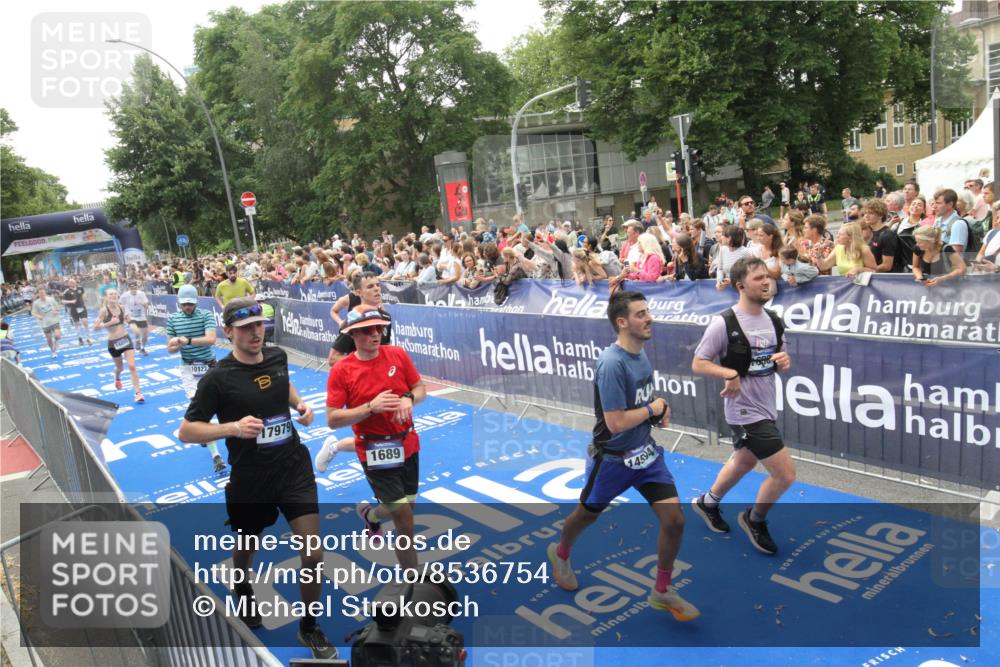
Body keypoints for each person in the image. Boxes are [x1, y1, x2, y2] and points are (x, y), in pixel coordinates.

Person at [178, 298, 336, 659]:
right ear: (229, 331)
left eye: (260, 325)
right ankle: (242, 583)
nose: (255, 332)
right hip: (251, 476)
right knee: (248, 543)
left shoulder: (277, 356)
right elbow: (186, 431)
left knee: (313, 552)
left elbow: (283, 383)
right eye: (246, 327)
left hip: (293, 466)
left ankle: (309, 626)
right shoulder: (219, 377)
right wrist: (232, 427)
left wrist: (299, 405)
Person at [547, 291, 699, 621]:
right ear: (622, 322)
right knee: (585, 516)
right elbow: (615, 422)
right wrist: (651, 409)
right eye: (641, 314)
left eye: (648, 311)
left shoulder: (640, 354)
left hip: (646, 456)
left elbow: (640, 404)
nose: (649, 318)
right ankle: (560, 553)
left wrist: (658, 412)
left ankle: (661, 591)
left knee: (674, 521)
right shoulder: (611, 363)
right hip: (612, 460)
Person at [691, 257, 796, 555]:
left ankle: (707, 503)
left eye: (768, 277)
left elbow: (779, 358)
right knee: (785, 475)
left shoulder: (774, 320)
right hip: (743, 411)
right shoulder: (724, 323)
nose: (767, 282)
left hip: (767, 406)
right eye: (758, 278)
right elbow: (698, 362)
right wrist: (729, 373)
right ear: (740, 286)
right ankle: (754, 519)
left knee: (745, 460)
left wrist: (783, 362)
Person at [324, 306, 427, 571]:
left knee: (407, 507)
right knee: (404, 520)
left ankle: (369, 515)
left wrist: (408, 398)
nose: (376, 335)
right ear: (354, 335)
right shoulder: (342, 370)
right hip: (374, 450)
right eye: (368, 330)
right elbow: (333, 419)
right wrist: (371, 407)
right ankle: (413, 581)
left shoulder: (397, 354)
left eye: (379, 328)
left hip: (407, 443)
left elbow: (419, 387)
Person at [166, 285, 226, 474]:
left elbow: (211, 339)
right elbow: (170, 348)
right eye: (184, 305)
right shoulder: (173, 319)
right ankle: (217, 456)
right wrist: (175, 344)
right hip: (188, 367)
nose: (187, 308)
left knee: (223, 404)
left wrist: (188, 340)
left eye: (190, 304)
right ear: (179, 303)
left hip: (209, 364)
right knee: (200, 408)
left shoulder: (206, 315)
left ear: (196, 302)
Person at [93, 289, 144, 403]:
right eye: (110, 294)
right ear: (106, 297)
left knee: (132, 366)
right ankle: (117, 377)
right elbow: (95, 327)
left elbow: (129, 320)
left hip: (125, 340)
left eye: (115, 294)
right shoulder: (104, 311)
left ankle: (138, 393)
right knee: (120, 368)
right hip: (113, 343)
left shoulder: (122, 308)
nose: (113, 296)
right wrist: (108, 323)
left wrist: (135, 330)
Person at [327, 271, 388, 367]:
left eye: (378, 285)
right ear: (358, 292)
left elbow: (386, 349)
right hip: (360, 378)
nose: (376, 289)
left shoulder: (385, 317)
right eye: (370, 286)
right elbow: (333, 359)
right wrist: (365, 361)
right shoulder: (354, 320)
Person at [863, 200, 904, 273]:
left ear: (881, 215)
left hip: (885, 279)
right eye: (865, 213)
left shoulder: (887, 235)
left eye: (871, 213)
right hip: (871, 275)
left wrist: (864, 271)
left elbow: (887, 266)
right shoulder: (868, 232)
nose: (866, 216)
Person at [119, 281, 151, 355]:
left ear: (137, 287)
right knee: (136, 331)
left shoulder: (141, 294)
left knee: (145, 336)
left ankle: (142, 348)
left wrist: (144, 304)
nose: (134, 290)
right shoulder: (125, 295)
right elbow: (120, 304)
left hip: (141, 316)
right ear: (129, 288)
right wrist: (123, 313)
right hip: (130, 316)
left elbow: (147, 306)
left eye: (135, 288)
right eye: (132, 288)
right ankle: (137, 340)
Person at [61, 277, 94, 346]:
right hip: (73, 309)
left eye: (73, 282)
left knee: (85, 321)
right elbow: (63, 301)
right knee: (77, 324)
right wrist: (71, 301)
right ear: (68, 284)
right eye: (70, 282)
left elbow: (83, 295)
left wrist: (85, 298)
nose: (72, 283)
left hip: (81, 307)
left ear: (75, 282)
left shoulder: (80, 288)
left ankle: (88, 338)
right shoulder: (66, 291)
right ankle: (80, 338)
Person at [31, 286, 62, 358]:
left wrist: (56, 311)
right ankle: (53, 351)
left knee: (58, 335)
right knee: (49, 339)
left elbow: (57, 306)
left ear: (45, 293)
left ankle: (56, 342)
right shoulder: (36, 303)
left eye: (43, 293)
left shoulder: (51, 299)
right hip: (45, 324)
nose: (42, 294)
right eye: (40, 293)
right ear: (38, 294)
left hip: (54, 321)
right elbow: (33, 313)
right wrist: (38, 316)